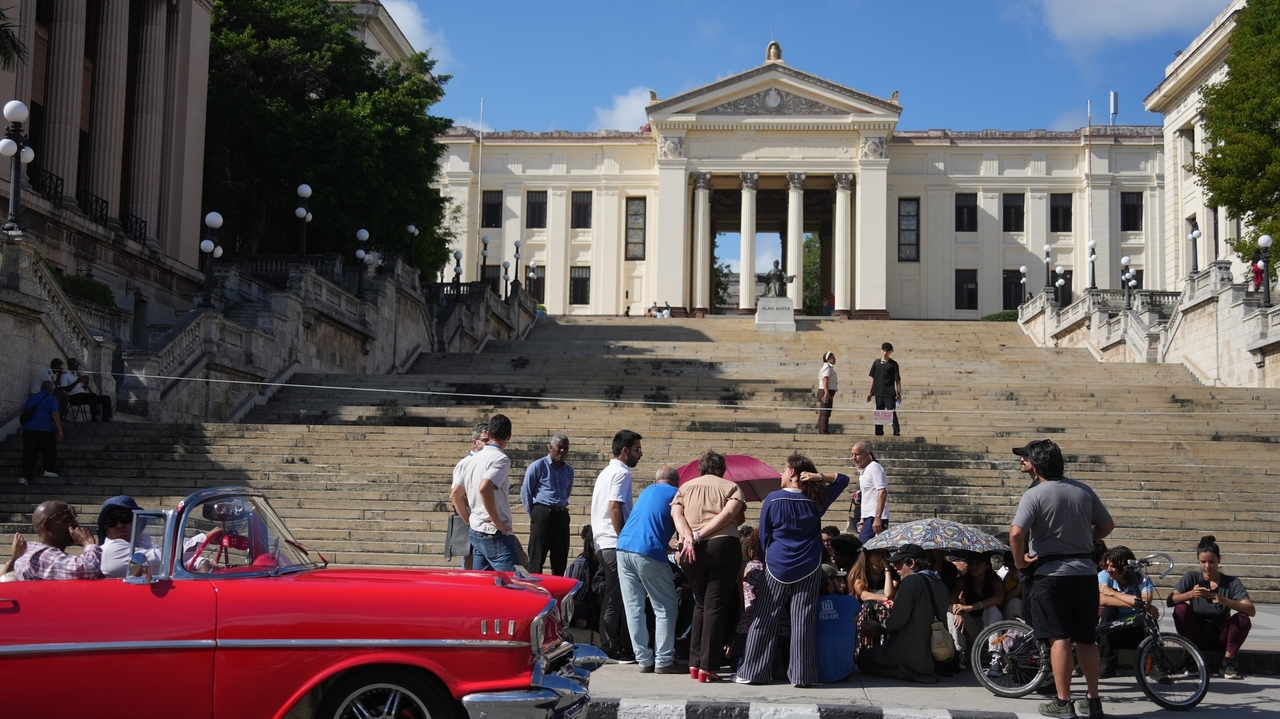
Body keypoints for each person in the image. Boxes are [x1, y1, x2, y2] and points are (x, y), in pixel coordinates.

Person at [1009, 439, 1114, 719]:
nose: (1021, 461)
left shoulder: (1035, 494)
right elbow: (1107, 526)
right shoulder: (1083, 491)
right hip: (1084, 573)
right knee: (1087, 639)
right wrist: (1084, 538)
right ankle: (1093, 701)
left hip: (1050, 575)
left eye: (1026, 457)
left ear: (1039, 465)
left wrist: (1020, 562)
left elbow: (1016, 534)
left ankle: (1063, 701)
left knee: (1060, 639)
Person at [735, 454, 848, 688]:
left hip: (777, 565)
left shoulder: (773, 499)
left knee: (765, 617)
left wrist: (766, 561)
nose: (781, 474)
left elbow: (764, 535)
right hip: (809, 565)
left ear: (794, 473)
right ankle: (802, 675)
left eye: (784, 470)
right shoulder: (815, 500)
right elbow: (842, 479)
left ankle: (753, 672)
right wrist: (819, 477)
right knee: (803, 621)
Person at [672, 450, 747, 682]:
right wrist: (700, 534)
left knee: (700, 604)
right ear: (721, 468)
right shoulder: (731, 487)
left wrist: (688, 537)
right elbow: (728, 515)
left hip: (690, 550)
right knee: (715, 607)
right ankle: (709, 667)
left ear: (701, 468)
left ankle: (694, 664)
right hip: (722, 546)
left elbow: (677, 514)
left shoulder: (684, 488)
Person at [616, 464, 683, 674]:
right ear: (676, 482)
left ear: (656, 481)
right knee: (665, 606)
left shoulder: (646, 491)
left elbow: (648, 522)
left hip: (623, 548)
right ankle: (664, 660)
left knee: (633, 607)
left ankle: (644, 660)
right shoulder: (678, 494)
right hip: (648, 552)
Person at [857, 544, 952, 684]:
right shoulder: (940, 583)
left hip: (910, 651)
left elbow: (897, 620)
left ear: (912, 563)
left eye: (898, 563)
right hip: (934, 649)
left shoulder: (911, 582)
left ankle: (904, 673)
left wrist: (877, 628)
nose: (895, 567)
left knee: (863, 659)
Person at [1169, 535, 1254, 680]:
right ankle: (1190, 659)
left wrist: (1224, 601)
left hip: (1220, 635)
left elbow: (1251, 610)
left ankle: (1227, 662)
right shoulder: (1191, 577)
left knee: (1243, 619)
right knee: (1181, 609)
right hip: (1196, 633)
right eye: (1203, 562)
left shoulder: (1231, 582)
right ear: (1198, 559)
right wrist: (1190, 594)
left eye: (1211, 562)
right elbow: (1171, 600)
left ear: (1219, 559)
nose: (1207, 566)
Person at [591, 429, 643, 661]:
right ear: (625, 451)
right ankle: (611, 646)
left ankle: (616, 644)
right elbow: (614, 506)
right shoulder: (621, 473)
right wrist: (623, 538)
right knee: (616, 597)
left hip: (604, 541)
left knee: (617, 595)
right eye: (636, 449)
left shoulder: (606, 472)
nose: (640, 454)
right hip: (613, 543)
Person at [452, 414, 519, 572]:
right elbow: (484, 487)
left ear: (488, 434)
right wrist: (496, 521)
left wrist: (470, 521)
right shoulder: (501, 459)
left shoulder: (472, 459)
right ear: (509, 436)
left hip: (477, 530)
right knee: (514, 584)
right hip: (494, 533)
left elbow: (456, 494)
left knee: (482, 584)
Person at [97, 495, 219, 577]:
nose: (119, 525)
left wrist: (200, 562)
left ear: (138, 522)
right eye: (112, 521)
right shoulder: (111, 550)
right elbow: (162, 558)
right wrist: (204, 538)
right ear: (106, 528)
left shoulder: (142, 542)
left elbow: (174, 560)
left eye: (125, 518)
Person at [1096, 545, 1156, 679]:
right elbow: (1103, 599)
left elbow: (1145, 601)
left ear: (1123, 567)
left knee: (1150, 617)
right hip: (1114, 631)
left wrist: (1113, 593)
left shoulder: (1142, 579)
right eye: (1107, 565)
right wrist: (1139, 604)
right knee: (1109, 611)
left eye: (1112, 566)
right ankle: (1107, 663)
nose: (1108, 569)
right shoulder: (1104, 575)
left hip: (1135, 629)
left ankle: (1156, 665)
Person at [521, 434, 574, 575]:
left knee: (560, 558)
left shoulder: (569, 470)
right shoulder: (537, 466)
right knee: (536, 557)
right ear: (551, 447)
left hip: (561, 514)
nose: (562, 451)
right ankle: (533, 592)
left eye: (566, 448)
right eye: (559, 447)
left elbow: (567, 492)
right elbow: (526, 492)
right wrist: (535, 514)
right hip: (542, 512)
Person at [12, 501, 102, 580]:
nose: (75, 524)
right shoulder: (40, 557)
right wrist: (88, 543)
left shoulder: (47, 555)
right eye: (67, 520)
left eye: (73, 519)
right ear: (47, 525)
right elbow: (89, 569)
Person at [950, 552, 1004, 663]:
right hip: (972, 627)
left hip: (991, 628)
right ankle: (959, 652)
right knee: (952, 610)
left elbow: (998, 599)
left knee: (991, 609)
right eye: (971, 563)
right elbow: (953, 595)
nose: (974, 567)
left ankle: (996, 656)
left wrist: (971, 607)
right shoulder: (964, 580)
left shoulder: (995, 580)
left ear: (988, 565)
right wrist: (959, 612)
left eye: (978, 563)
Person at [19, 380, 63, 485]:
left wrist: (22, 429)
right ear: (52, 390)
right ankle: (48, 470)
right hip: (45, 428)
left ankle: (24, 477)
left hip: (29, 428)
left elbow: (22, 413)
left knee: (29, 453)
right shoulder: (51, 398)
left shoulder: (32, 397)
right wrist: (60, 429)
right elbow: (55, 414)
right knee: (49, 450)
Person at [852, 442, 889, 541]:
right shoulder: (865, 471)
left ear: (867, 454)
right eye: (852, 455)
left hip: (875, 517)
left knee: (865, 547)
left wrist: (877, 518)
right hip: (868, 517)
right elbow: (867, 495)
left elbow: (882, 492)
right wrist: (863, 518)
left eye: (857, 454)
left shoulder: (874, 468)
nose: (854, 458)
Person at [866, 342, 902, 437]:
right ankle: (878, 432)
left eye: (887, 351)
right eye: (884, 350)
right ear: (881, 351)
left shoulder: (893, 364)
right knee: (879, 413)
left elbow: (897, 379)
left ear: (890, 352)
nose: (885, 353)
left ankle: (896, 431)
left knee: (892, 412)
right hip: (878, 392)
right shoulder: (876, 363)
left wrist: (899, 393)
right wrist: (870, 392)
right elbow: (873, 378)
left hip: (889, 393)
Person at [817, 352, 837, 434]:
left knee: (824, 413)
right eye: (833, 358)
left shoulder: (829, 367)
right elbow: (825, 379)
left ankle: (822, 430)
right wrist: (826, 392)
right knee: (825, 413)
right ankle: (823, 431)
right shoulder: (827, 367)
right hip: (825, 392)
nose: (834, 359)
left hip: (826, 392)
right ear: (828, 359)